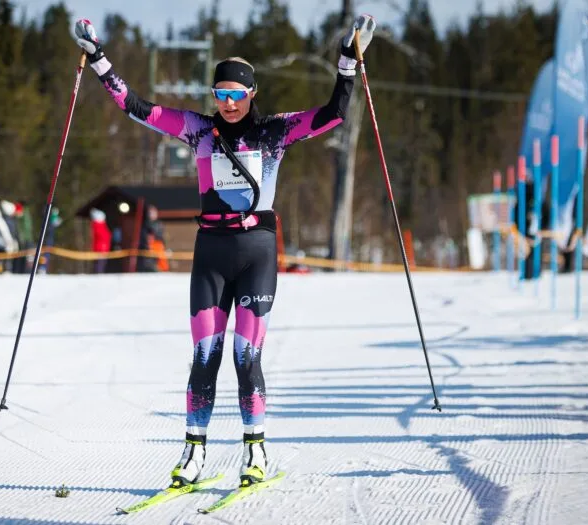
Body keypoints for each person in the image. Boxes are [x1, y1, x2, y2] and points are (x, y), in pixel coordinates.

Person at [73, 15, 376, 485]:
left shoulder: (273, 132)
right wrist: (97, 57)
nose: (229, 103)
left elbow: (333, 113)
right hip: (210, 253)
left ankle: (255, 452)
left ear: (251, 94)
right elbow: (135, 106)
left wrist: (346, 59)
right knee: (204, 356)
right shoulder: (196, 130)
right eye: (221, 94)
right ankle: (194, 453)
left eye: (237, 94)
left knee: (244, 356)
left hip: (256, 252)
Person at [90, 208, 111, 274]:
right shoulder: (99, 226)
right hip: (101, 249)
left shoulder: (99, 226)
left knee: (100, 265)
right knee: (99, 266)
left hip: (101, 249)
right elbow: (104, 237)